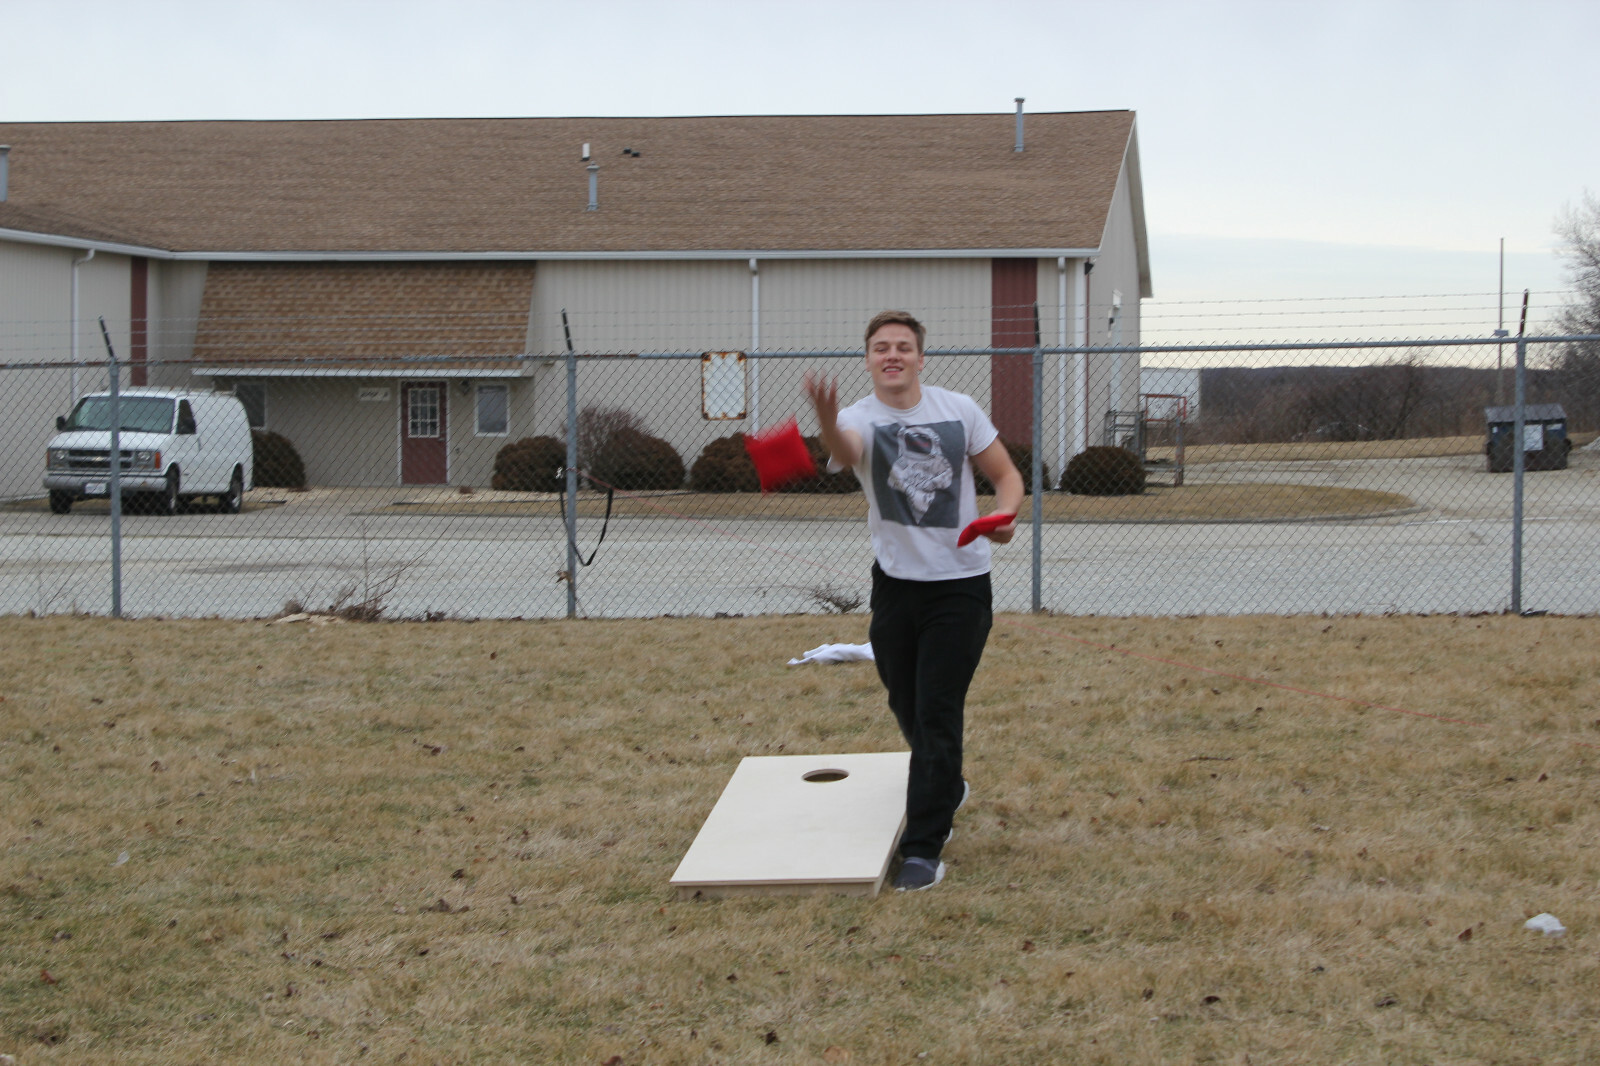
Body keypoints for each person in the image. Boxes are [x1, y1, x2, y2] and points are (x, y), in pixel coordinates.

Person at [804, 310, 1024, 892]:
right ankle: (946, 783)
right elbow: (845, 449)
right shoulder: (857, 417)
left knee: (936, 709)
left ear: (921, 358)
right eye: (881, 347)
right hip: (895, 586)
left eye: (903, 346)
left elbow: (1006, 476)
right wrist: (825, 419)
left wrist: (1005, 514)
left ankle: (924, 847)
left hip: (961, 585)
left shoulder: (960, 410)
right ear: (868, 360)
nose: (892, 355)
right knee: (904, 697)